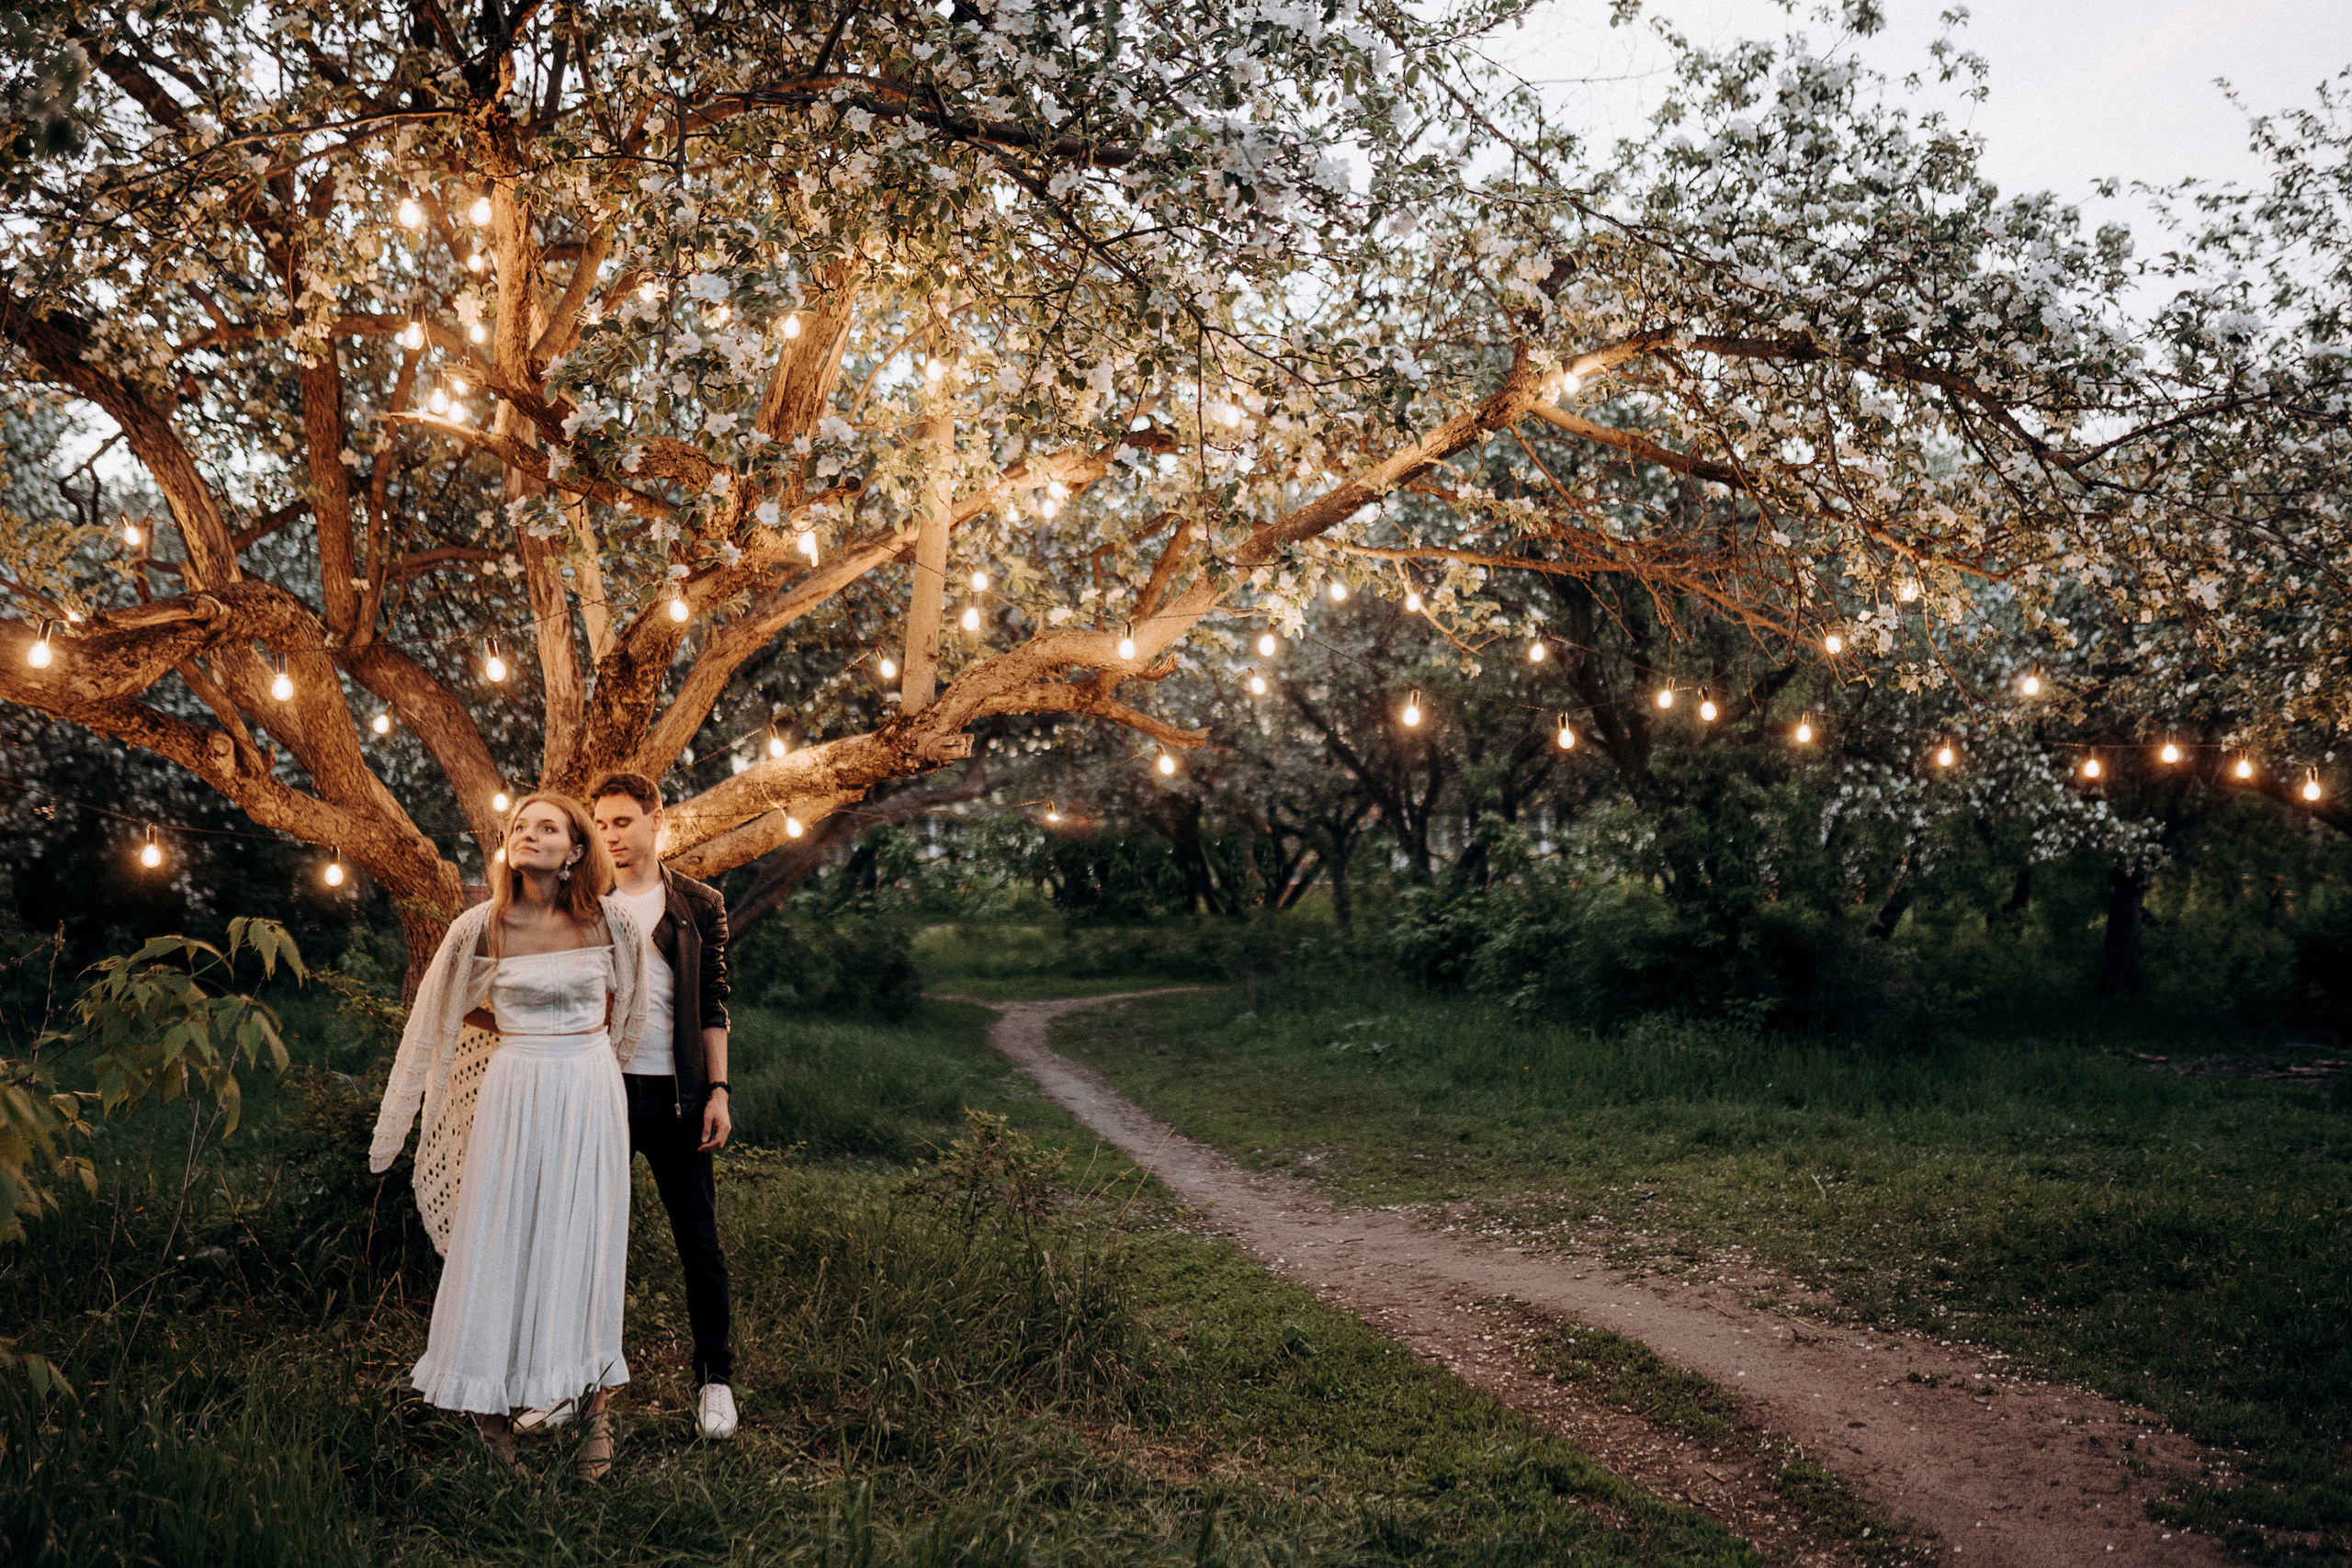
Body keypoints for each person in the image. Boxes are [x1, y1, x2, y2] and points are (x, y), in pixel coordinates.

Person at [369, 793, 649, 1481]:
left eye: (545, 826)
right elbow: (438, 1017)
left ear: (575, 849)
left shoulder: (611, 922)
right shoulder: (482, 927)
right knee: (501, 1239)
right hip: (515, 1090)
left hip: (588, 1090)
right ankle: (492, 1424)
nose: (528, 834)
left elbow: (627, 1009)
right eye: (519, 826)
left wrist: (578, 1050)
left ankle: (592, 1411)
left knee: (585, 1242)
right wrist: (524, 1032)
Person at [590, 771, 739, 1441]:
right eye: (600, 824)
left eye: (622, 820)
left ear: (656, 818)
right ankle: (577, 1378)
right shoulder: (584, 900)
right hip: (602, 1092)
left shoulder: (700, 904)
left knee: (699, 1243)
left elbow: (712, 1005)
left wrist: (718, 1090)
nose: (611, 835)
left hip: (678, 1095)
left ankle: (715, 1381)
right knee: (588, 1240)